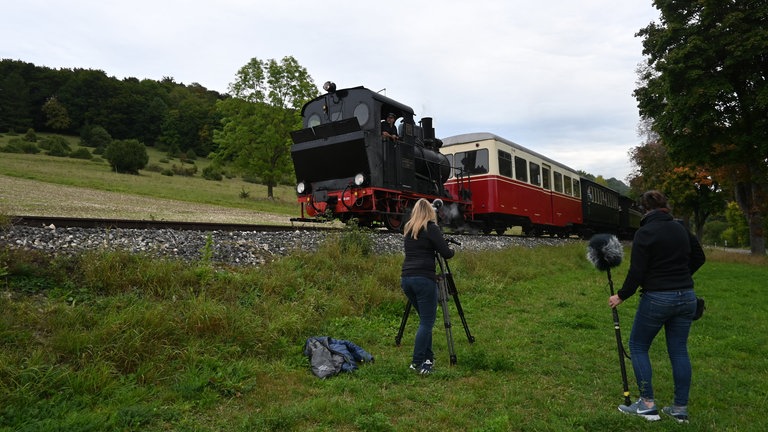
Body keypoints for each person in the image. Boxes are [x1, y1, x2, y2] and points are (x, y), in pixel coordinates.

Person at [608, 190, 706, 423]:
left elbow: (637, 272)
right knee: (679, 350)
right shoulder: (681, 228)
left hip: (657, 298)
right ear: (666, 207)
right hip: (687, 297)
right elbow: (699, 257)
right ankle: (680, 409)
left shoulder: (645, 232)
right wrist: (680, 277)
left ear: (644, 210)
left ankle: (647, 404)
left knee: (638, 345)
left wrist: (621, 296)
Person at [401, 198, 454, 375]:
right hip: (424, 279)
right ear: (430, 212)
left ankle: (428, 358)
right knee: (426, 322)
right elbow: (446, 253)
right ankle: (417, 361)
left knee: (424, 320)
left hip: (406, 279)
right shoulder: (431, 228)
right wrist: (452, 249)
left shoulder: (409, 228)